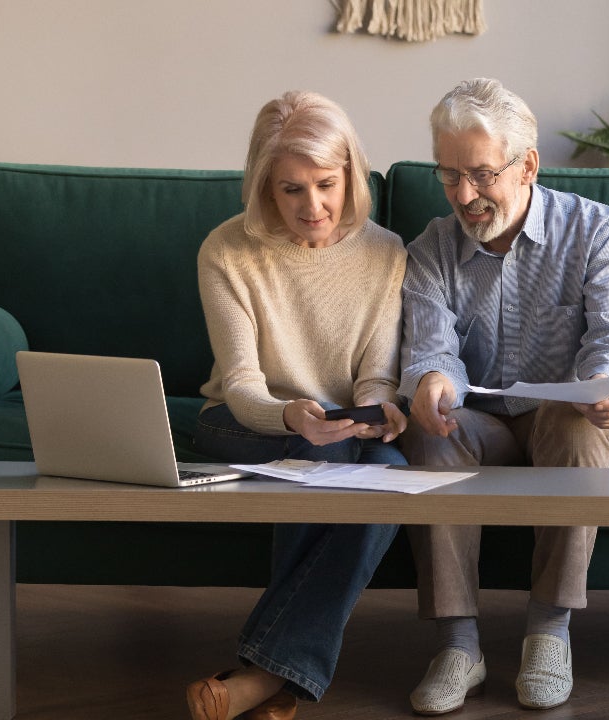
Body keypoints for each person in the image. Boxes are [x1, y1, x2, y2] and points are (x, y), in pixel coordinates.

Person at [398, 78, 609, 714]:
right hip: (482, 423)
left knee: (574, 421)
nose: (465, 195)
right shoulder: (430, 248)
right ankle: (458, 646)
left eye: (480, 175)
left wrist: (608, 386)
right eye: (449, 176)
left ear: (527, 165)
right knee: (428, 425)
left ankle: (549, 631)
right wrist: (431, 383)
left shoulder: (593, 229)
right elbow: (431, 349)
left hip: (574, 421)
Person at [187, 90, 408, 720]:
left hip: (340, 430)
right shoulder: (226, 251)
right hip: (241, 421)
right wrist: (294, 415)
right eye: (291, 190)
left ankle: (263, 673)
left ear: (351, 176)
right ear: (264, 185)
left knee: (388, 475)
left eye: (327, 185)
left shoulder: (386, 253)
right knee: (319, 451)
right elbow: (242, 384)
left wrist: (379, 408)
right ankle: (274, 675)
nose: (313, 206)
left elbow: (376, 374)